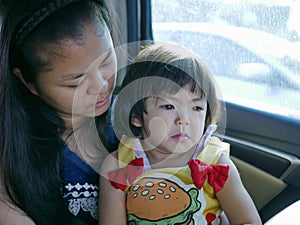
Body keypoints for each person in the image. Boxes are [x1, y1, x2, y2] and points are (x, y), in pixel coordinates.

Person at [99, 43, 262, 225]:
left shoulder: (214, 164)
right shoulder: (119, 165)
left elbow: (248, 221)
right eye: (168, 106)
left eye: (196, 108)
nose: (184, 119)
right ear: (136, 115)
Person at [0, 0, 119, 225]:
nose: (101, 86)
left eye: (106, 62)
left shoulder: (141, 117)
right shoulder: (12, 155)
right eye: (76, 82)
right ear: (28, 82)